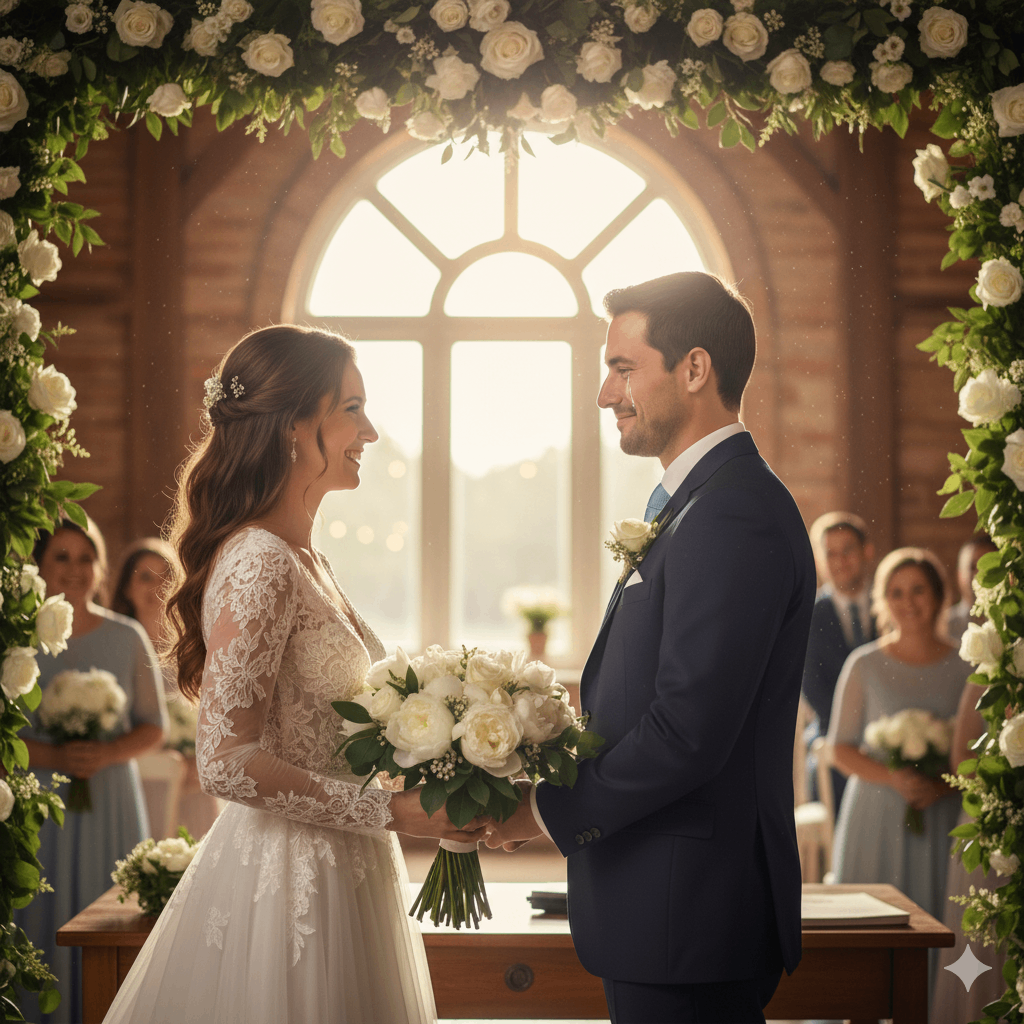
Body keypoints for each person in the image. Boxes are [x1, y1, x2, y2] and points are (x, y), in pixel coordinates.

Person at [102, 325, 487, 1024]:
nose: (369, 429)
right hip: (287, 884)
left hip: (348, 867)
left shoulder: (307, 559)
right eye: (351, 408)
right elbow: (224, 761)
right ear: (291, 427)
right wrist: (386, 811)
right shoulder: (260, 560)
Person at [484, 272, 816, 1024]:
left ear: (694, 369)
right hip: (666, 909)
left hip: (689, 912)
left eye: (624, 368)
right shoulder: (704, 503)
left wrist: (542, 810)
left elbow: (687, 732)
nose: (606, 393)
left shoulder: (734, 514)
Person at [15, 517, 167, 1024]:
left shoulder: (126, 638)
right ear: (39, 566)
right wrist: (55, 757)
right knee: (41, 910)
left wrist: (104, 753)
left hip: (110, 799)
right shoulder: (16, 639)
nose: (75, 569)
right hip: (39, 800)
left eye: (86, 558)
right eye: (62, 557)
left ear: (101, 568)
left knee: (112, 915)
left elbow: (154, 727)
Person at [828, 548, 966, 933]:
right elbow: (840, 748)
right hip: (877, 816)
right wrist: (895, 779)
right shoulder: (864, 664)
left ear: (940, 595)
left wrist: (939, 786)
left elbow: (977, 751)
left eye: (919, 590)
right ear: (883, 601)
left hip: (944, 815)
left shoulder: (966, 667)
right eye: (896, 592)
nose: (908, 602)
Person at [111, 537, 221, 838]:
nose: (156, 587)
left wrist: (197, 762)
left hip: (194, 784)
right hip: (135, 784)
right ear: (126, 588)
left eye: (165, 577)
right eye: (145, 577)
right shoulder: (114, 650)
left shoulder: (196, 649)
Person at [932, 678, 1009, 1023]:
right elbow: (961, 756)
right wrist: (1005, 780)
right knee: (983, 940)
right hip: (992, 821)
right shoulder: (992, 671)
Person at [802, 511, 877, 810]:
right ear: (819, 561)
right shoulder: (807, 616)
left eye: (848, 550)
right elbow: (814, 690)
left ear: (866, 552)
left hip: (889, 725)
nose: (840, 561)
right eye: (830, 553)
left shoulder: (894, 603)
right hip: (834, 731)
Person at [945, 534, 997, 644]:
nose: (980, 575)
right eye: (972, 567)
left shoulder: (1016, 625)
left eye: (989, 567)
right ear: (959, 575)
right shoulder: (944, 627)